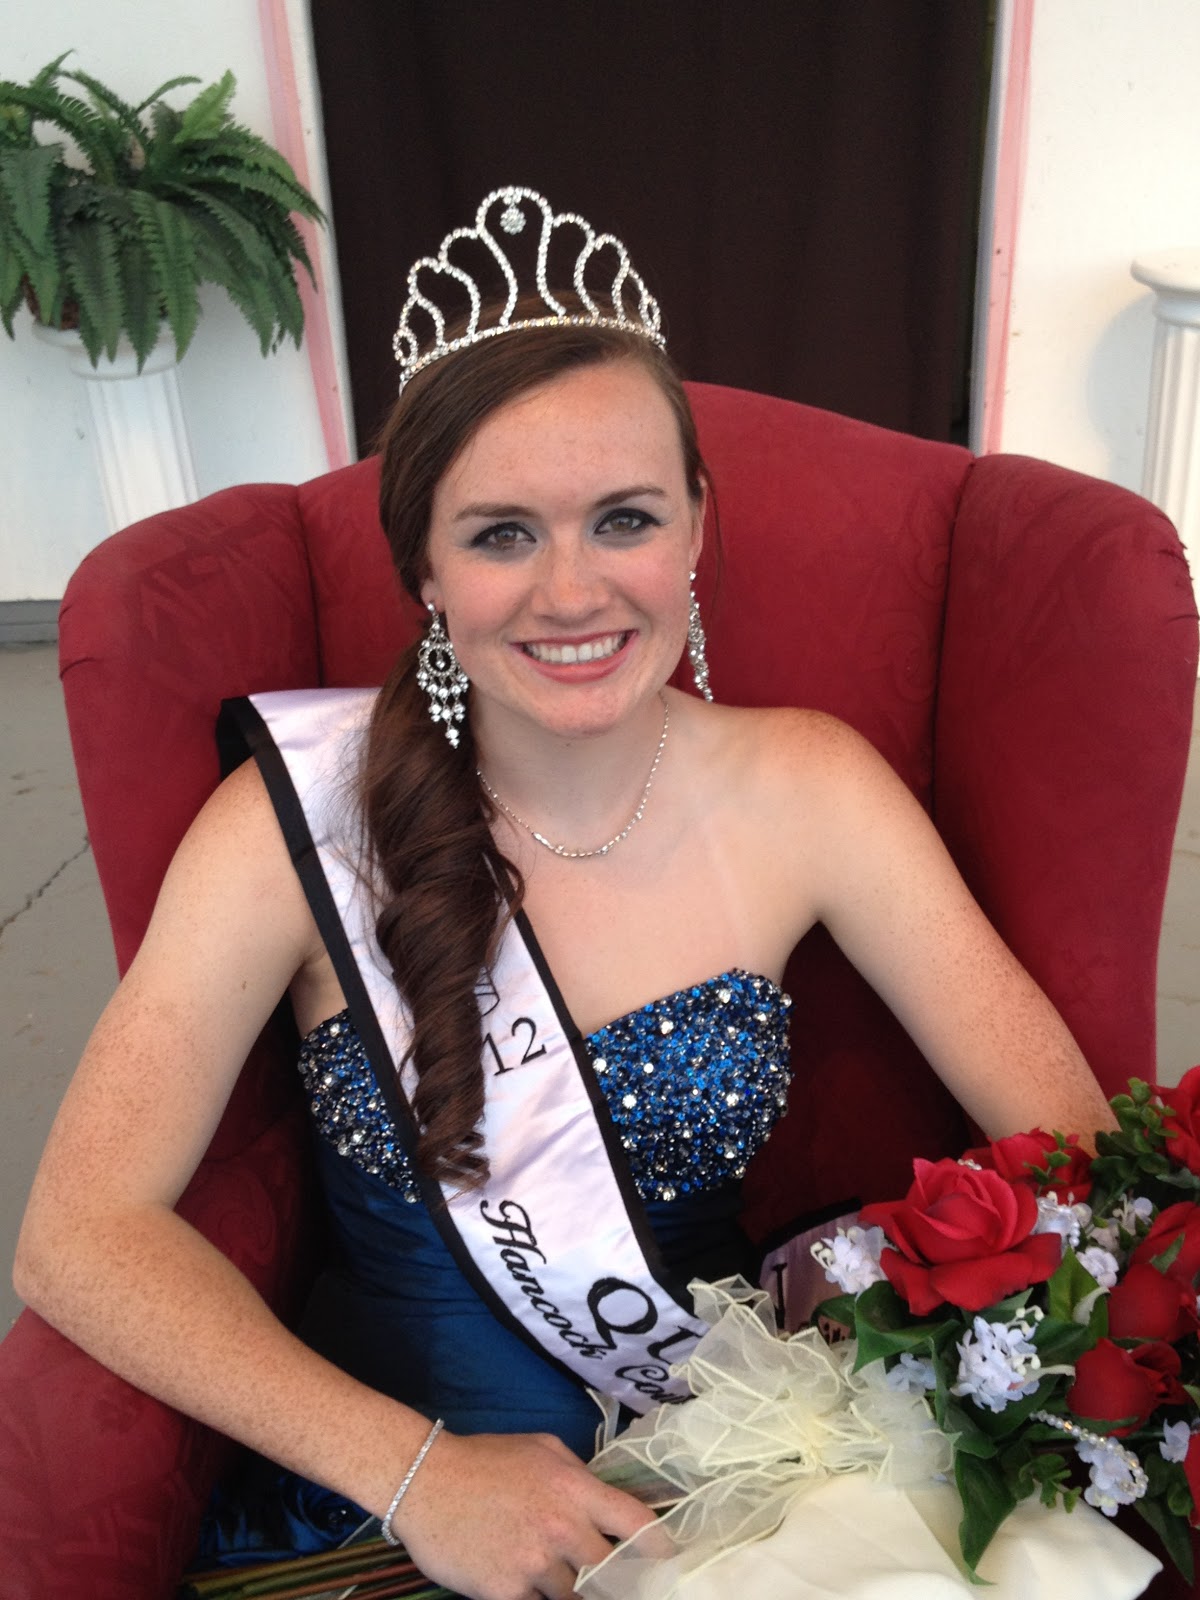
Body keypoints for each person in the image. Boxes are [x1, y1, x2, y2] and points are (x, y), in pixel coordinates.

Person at [13, 186, 1115, 1600]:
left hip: (742, 1478)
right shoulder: (290, 824)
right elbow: (76, 1235)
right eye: (502, 535)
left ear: (698, 526)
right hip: (389, 1520)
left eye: (625, 518)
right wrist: (419, 1475)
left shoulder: (813, 791)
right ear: (421, 562)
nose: (574, 591)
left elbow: (1071, 1151)